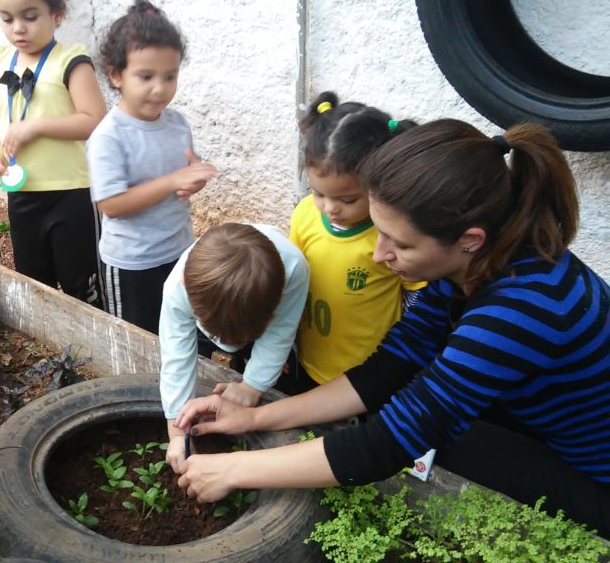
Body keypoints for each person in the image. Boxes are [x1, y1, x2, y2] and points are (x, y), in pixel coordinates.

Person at [173, 119, 610, 537]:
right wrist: (255, 416)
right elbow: (391, 366)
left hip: (597, 481)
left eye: (400, 243)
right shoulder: (475, 264)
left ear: (469, 239)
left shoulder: (520, 310)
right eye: (378, 231)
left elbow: (387, 444)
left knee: (440, 445)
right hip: (553, 426)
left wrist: (233, 470)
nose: (380, 255)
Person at [86, 0, 215, 334]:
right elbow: (112, 205)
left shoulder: (177, 124)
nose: (160, 89)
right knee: (136, 339)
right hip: (131, 263)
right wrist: (174, 180)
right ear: (116, 75)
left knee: (178, 331)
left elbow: (179, 177)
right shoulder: (109, 136)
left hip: (178, 250)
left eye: (170, 76)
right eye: (146, 77)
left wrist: (193, 178)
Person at [281, 91, 422, 394]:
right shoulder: (306, 213)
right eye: (319, 193)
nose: (330, 208)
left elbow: (416, 302)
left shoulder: (389, 238)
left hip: (367, 376)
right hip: (309, 360)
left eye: (347, 199)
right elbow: (291, 279)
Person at [0, 0, 106, 308]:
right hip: (22, 196)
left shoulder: (71, 61)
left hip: (72, 195)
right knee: (34, 284)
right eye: (6, 18)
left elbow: (95, 120)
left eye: (30, 16)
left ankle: (94, 353)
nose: (18, 28)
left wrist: (35, 126)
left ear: (57, 13)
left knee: (85, 288)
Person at [161, 223, 309, 473]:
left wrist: (252, 386)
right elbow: (176, 356)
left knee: (277, 369)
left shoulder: (294, 269)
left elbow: (280, 334)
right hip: (221, 311)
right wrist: (177, 432)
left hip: (255, 315)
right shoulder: (178, 287)